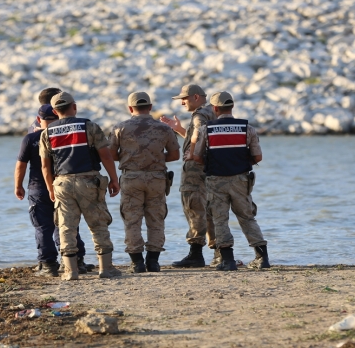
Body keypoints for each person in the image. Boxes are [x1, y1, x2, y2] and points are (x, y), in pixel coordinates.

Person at [39, 92, 122, 280]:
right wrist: (114, 179)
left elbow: (45, 166)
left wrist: (51, 188)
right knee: (98, 224)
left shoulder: (47, 132)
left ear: (54, 110)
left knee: (66, 226)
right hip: (89, 180)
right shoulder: (89, 126)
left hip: (62, 182)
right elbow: (105, 155)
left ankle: (71, 271)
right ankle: (106, 269)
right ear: (74, 107)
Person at [191, 91, 271, 271]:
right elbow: (257, 156)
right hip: (241, 179)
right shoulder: (246, 128)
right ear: (232, 106)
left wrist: (213, 164)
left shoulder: (207, 129)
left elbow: (196, 157)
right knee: (247, 217)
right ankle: (262, 257)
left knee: (220, 219)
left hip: (216, 180)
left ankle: (228, 260)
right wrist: (241, 164)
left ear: (215, 108)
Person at [14, 103, 91, 277]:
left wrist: (18, 186)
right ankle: (76, 260)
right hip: (65, 187)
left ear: (38, 119)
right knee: (68, 225)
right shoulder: (67, 136)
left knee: (43, 228)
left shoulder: (31, 139)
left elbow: (21, 165)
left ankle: (48, 264)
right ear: (58, 117)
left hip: (39, 189)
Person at [109, 92, 181, 273]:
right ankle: (154, 262)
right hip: (157, 178)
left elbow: (110, 154)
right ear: (150, 107)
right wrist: (155, 158)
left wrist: (129, 158)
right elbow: (174, 155)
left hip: (131, 178)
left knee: (132, 220)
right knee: (156, 219)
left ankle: (137, 263)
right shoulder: (164, 129)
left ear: (130, 109)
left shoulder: (120, 128)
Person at [160, 84, 218, 268]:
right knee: (211, 208)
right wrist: (178, 129)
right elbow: (204, 137)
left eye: (184, 98)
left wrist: (194, 154)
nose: (182, 102)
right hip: (211, 168)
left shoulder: (200, 115)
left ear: (195, 97)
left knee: (193, 206)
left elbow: (200, 133)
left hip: (195, 171)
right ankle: (220, 252)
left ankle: (195, 254)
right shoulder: (212, 112)